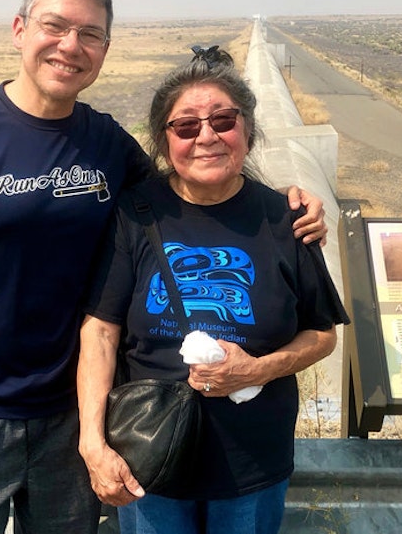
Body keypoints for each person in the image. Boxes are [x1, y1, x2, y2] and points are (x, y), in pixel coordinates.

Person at [0, 0, 327, 534]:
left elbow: (192, 185)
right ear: (19, 29)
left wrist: (288, 199)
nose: (70, 46)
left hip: (75, 414)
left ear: (105, 49)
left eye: (89, 34)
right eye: (55, 26)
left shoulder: (107, 143)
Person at [77, 47, 350, 534]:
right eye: (186, 127)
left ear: (246, 129)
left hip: (251, 466)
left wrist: (257, 368)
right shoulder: (135, 215)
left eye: (223, 120)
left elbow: (322, 334)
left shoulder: (285, 218)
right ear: (164, 141)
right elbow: (100, 333)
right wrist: (93, 443)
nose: (207, 136)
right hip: (148, 455)